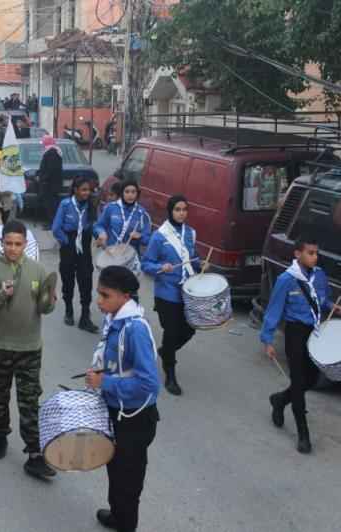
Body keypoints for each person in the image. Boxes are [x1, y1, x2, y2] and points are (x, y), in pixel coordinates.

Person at [0, 220, 57, 479]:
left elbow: (46, 308)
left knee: (29, 401)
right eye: (8, 243)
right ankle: (0, 436)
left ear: (25, 244)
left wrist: (49, 301)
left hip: (29, 349)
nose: (12, 248)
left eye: (18, 244)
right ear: (2, 243)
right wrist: (1, 295)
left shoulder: (38, 270)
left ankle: (34, 454)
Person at [84, 265, 160, 532]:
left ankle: (125, 523)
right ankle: (117, 515)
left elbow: (149, 384)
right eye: (98, 294)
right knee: (114, 470)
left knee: (128, 484)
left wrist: (105, 382)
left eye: (105, 296)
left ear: (125, 297)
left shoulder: (135, 329)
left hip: (134, 420)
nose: (99, 301)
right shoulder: (114, 318)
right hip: (115, 412)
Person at [260, 237, 341, 454]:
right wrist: (267, 339)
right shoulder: (286, 280)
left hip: (315, 333)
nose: (315, 257)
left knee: (311, 379)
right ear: (297, 254)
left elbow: (321, 299)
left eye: (316, 253)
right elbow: (274, 309)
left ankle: (279, 400)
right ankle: (303, 434)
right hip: (296, 332)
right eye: (310, 253)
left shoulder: (320, 276)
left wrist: (332, 307)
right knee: (298, 383)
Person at [141, 195, 201, 396]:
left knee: (190, 330)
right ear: (170, 211)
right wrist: (160, 267)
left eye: (184, 209)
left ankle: (166, 351)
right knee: (172, 331)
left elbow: (194, 260)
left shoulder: (190, 234)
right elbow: (146, 263)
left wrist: (200, 265)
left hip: (187, 292)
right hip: (167, 293)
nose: (181, 213)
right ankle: (171, 374)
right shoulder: (160, 236)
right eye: (177, 209)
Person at [52, 176, 100, 333]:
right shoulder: (66, 204)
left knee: (86, 279)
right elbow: (56, 228)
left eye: (89, 190)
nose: (87, 193)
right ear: (75, 190)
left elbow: (95, 225)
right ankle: (69, 310)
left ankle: (85, 316)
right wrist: (66, 242)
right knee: (68, 279)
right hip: (69, 244)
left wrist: (100, 235)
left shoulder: (92, 205)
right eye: (84, 190)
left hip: (84, 245)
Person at [94, 180, 152, 269]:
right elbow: (98, 225)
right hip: (111, 254)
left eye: (133, 192)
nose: (130, 195)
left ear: (137, 194)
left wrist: (140, 236)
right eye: (127, 192)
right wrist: (102, 233)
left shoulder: (142, 213)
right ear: (122, 193)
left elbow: (148, 240)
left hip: (130, 258)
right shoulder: (111, 207)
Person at [38, 135, 62, 229]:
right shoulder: (53, 152)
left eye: (44, 143)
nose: (42, 145)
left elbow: (50, 169)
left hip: (50, 185)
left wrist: (43, 178)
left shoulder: (52, 153)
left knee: (51, 205)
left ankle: (53, 224)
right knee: (51, 205)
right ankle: (51, 222)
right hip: (52, 184)